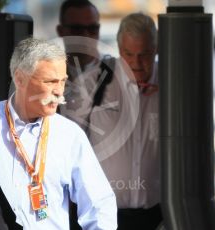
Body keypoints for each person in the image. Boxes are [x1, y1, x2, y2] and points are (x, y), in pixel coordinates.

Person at [0, 37, 117, 230]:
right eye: (50, 81)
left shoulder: (70, 135)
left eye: (63, 81)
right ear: (20, 79)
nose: (60, 92)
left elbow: (99, 204)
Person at [88, 13, 162, 229]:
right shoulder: (94, 83)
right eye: (129, 54)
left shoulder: (171, 84)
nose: (137, 63)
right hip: (105, 216)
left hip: (158, 215)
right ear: (119, 50)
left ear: (156, 49)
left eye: (145, 54)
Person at [56, 0, 116, 131]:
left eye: (92, 29)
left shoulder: (118, 72)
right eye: (77, 29)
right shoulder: (46, 76)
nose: (86, 35)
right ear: (60, 31)